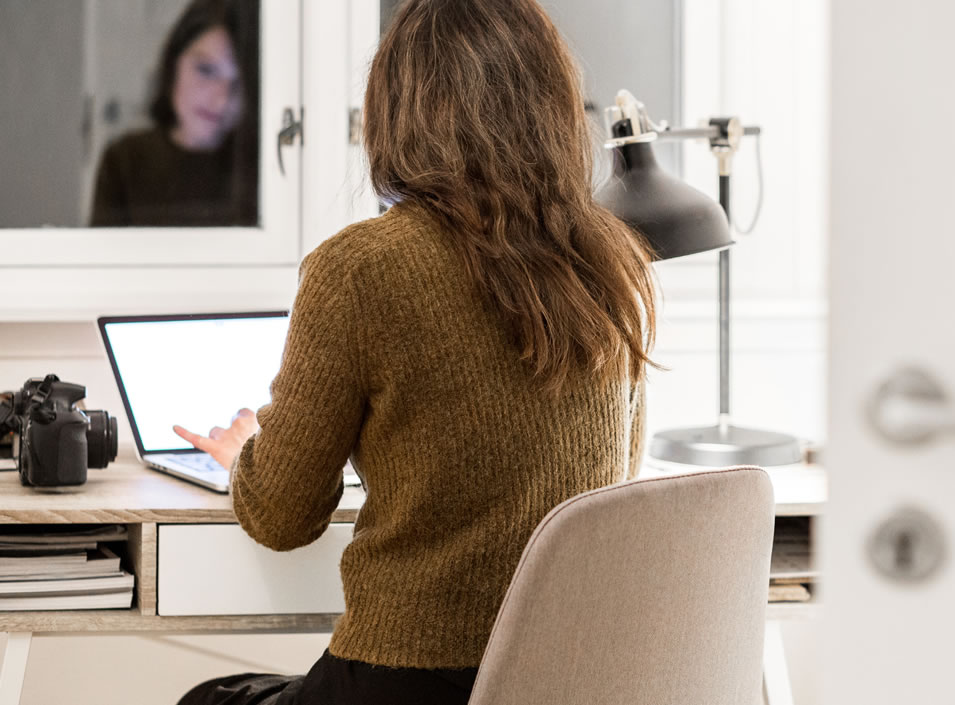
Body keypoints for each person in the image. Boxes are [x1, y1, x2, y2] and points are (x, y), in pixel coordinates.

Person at [170, 0, 656, 702]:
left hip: (405, 684)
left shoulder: (361, 269)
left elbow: (281, 515)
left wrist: (249, 450)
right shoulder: (616, 262)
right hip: (567, 679)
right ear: (551, 105)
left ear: (397, 111)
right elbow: (613, 478)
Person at [89, 0, 258, 227]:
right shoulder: (124, 161)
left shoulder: (261, 169)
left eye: (237, 84)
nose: (221, 100)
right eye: (206, 70)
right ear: (173, 64)